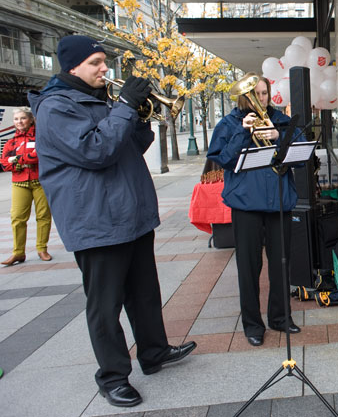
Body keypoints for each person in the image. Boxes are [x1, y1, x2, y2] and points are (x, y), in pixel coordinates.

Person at [28, 35, 196, 408]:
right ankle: (113, 376)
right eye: (96, 63)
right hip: (96, 221)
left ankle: (153, 353)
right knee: (105, 305)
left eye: (103, 61)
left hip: (129, 214)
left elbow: (129, 146)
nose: (105, 68)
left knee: (144, 293)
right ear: (72, 67)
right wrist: (124, 107)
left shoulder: (101, 101)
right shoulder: (56, 107)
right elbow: (96, 151)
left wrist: (139, 116)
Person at [207, 73, 303, 346]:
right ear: (242, 97)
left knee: (281, 262)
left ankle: (280, 317)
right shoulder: (229, 123)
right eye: (254, 94)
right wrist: (243, 131)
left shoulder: (282, 120)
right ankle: (252, 324)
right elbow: (222, 159)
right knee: (248, 266)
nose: (259, 99)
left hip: (279, 200)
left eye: (263, 93)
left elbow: (299, 157)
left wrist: (278, 134)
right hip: (246, 203)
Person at [1, 107, 52, 265]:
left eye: (23, 118)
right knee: (17, 218)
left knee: (43, 216)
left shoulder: (40, 137)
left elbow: (38, 155)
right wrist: (19, 162)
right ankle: (18, 253)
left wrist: (16, 159)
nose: (19, 122)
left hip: (40, 181)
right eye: (16, 119)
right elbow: (3, 163)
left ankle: (42, 249)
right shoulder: (10, 142)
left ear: (31, 119)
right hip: (19, 183)